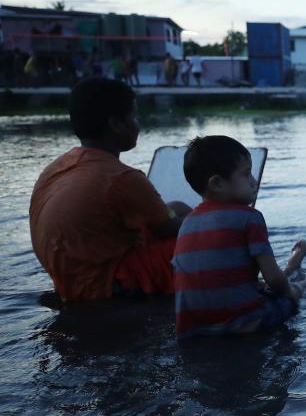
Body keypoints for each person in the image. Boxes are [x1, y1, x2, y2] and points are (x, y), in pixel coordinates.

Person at [29, 77, 191, 302]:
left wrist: (184, 213)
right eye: (134, 116)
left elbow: (165, 217)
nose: (137, 123)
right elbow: (170, 228)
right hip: (101, 285)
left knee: (177, 207)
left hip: (68, 278)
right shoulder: (122, 178)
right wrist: (215, 217)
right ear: (116, 124)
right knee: (202, 238)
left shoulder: (57, 167)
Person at [173, 135, 306, 338]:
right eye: (247, 175)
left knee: (262, 284)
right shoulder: (250, 217)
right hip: (246, 323)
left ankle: (290, 267)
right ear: (218, 184)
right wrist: (291, 293)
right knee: (293, 291)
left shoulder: (188, 222)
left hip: (193, 330)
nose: (254, 182)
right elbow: (273, 280)